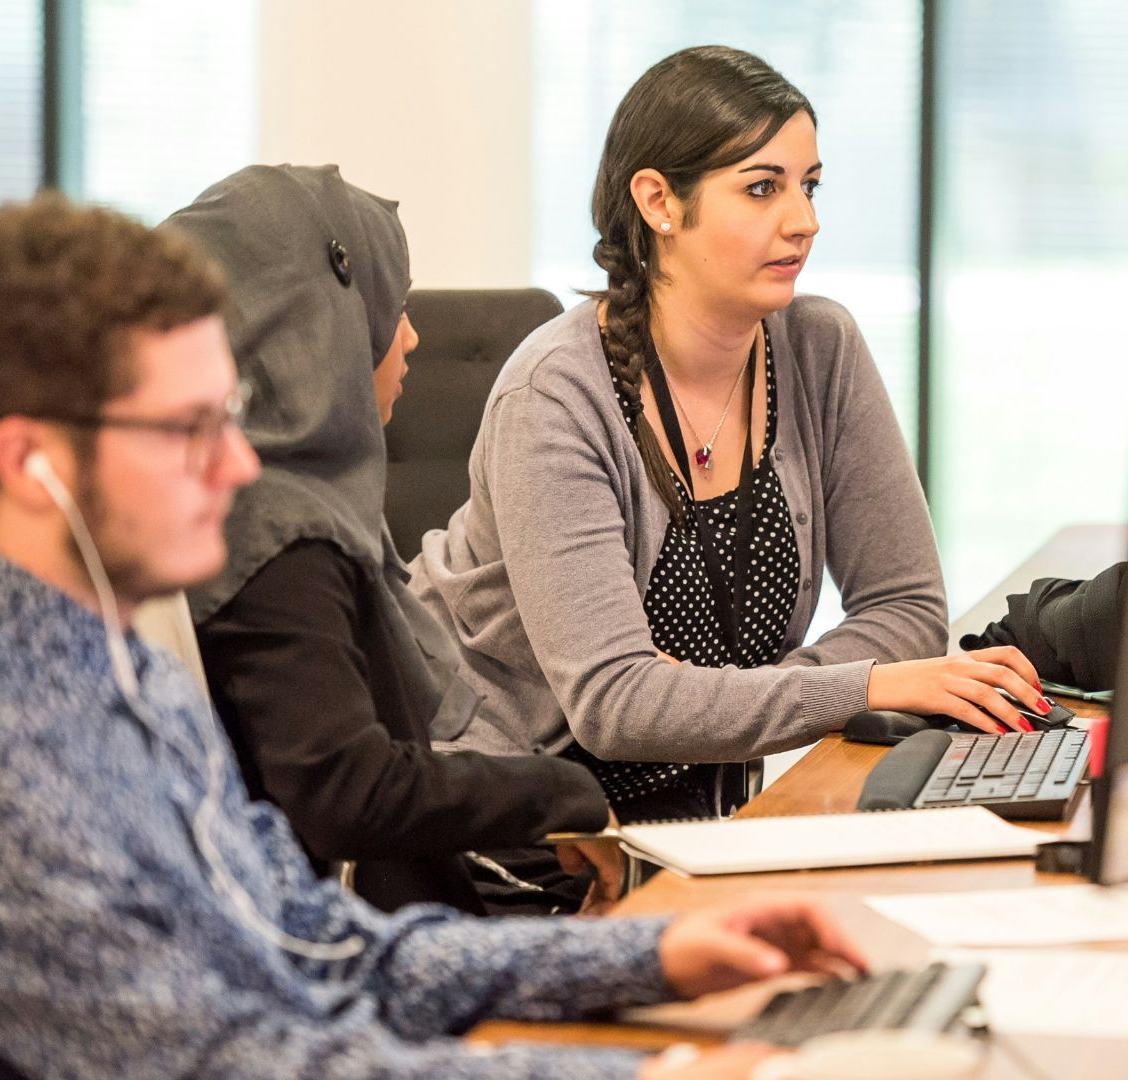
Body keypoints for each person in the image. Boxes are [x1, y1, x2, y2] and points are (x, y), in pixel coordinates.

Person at [0, 192, 862, 1078]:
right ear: (28, 463)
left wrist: (649, 957)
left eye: (227, 415)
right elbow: (239, 1066)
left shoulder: (116, 673)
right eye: (187, 428)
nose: (236, 465)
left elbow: (321, 947)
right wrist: (642, 1075)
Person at [410, 46, 1047, 820]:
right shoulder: (556, 395)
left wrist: (710, 697)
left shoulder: (820, 348)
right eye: (762, 188)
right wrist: (863, 684)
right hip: (519, 820)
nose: (804, 221)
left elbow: (907, 609)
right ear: (659, 202)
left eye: (809, 185)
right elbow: (616, 705)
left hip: (703, 811)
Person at [170, 165, 620, 915]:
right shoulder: (279, 537)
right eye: (392, 307)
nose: (411, 337)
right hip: (363, 938)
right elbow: (347, 793)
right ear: (320, 323)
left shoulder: (264, 504)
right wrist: (561, 793)